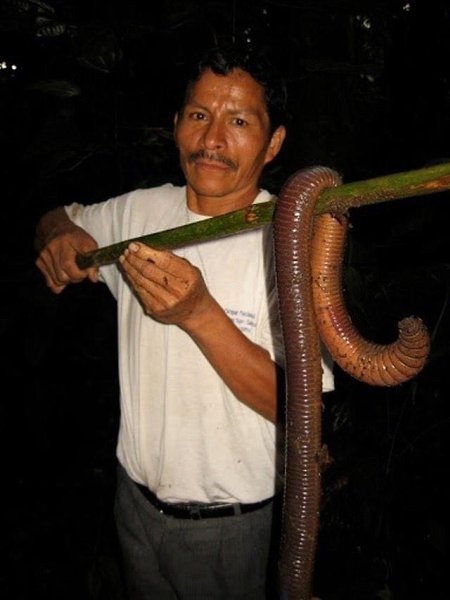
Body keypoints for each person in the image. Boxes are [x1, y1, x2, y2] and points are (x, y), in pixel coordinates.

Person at [34, 45, 334, 599]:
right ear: (176, 125)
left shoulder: (290, 242)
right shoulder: (140, 212)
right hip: (132, 505)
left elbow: (302, 407)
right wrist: (60, 235)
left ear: (273, 144)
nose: (212, 139)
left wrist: (200, 315)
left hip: (230, 528)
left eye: (238, 122)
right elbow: (59, 217)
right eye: (199, 115)